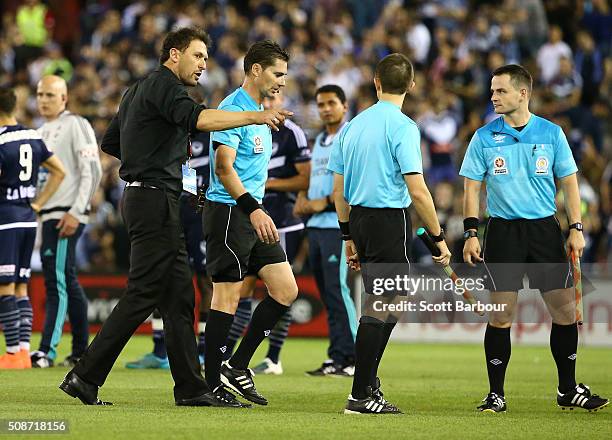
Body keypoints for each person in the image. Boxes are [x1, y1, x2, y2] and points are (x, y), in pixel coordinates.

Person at [59, 27, 290, 407]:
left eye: (205, 58)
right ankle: (85, 376)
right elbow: (198, 120)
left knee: (182, 296)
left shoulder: (136, 90)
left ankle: (191, 388)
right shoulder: (167, 86)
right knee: (143, 292)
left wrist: (152, 157)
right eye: (197, 56)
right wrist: (256, 116)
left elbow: (112, 142)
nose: (203, 65)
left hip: (146, 197)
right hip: (154, 199)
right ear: (173, 55)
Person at [460, 64, 609, 413]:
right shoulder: (483, 136)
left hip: (544, 230)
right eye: (492, 91)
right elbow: (471, 188)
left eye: (500, 91)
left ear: (522, 93)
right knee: (501, 316)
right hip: (502, 231)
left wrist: (576, 228)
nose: (493, 96)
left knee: (565, 312)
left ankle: (568, 389)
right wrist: (470, 232)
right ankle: (496, 394)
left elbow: (570, 182)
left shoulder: (552, 133)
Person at [328, 53, 451, 414]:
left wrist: (348, 236)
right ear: (411, 86)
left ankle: (368, 382)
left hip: (361, 220)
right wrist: (438, 238)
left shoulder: (351, 127)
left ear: (376, 82)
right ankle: (360, 395)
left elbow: (339, 190)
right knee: (380, 305)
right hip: (387, 221)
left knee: (392, 301)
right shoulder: (403, 127)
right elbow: (417, 190)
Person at [202, 40, 298, 407]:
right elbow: (223, 169)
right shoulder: (231, 110)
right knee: (227, 294)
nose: (282, 82)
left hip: (251, 211)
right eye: (277, 74)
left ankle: (237, 365)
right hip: (230, 211)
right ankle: (211, 384)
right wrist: (253, 208)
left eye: (285, 76)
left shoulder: (260, 111)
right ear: (255, 70)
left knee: (286, 290)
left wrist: (256, 208)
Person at [224, 89, 311, 375]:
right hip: (251, 218)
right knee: (245, 289)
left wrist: (267, 185)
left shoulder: (292, 133)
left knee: (281, 289)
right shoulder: (251, 125)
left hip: (282, 221)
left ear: (282, 101)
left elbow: (304, 178)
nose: (270, 104)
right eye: (267, 100)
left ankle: (273, 357)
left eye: (275, 99)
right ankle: (230, 356)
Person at [29, 75, 102, 369]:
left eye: (50, 95)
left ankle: (47, 350)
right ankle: (81, 351)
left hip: (65, 213)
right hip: (48, 213)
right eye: (40, 94)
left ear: (64, 98)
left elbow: (92, 170)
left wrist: (78, 210)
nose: (44, 100)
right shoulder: (39, 131)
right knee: (67, 280)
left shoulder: (76, 124)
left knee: (55, 280)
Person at [125, 129, 212, 370]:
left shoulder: (212, 136)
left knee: (206, 281)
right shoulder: (167, 136)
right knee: (159, 274)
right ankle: (159, 349)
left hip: (200, 214)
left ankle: (204, 349)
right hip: (170, 208)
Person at [294, 84, 358, 377]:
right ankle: (336, 356)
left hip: (337, 226)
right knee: (327, 293)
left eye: (332, 102)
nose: (326, 108)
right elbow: (315, 180)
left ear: (345, 106)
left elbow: (353, 183)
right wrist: (304, 199)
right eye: (321, 104)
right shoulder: (319, 140)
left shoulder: (349, 136)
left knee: (338, 292)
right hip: (316, 227)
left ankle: (354, 357)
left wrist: (325, 204)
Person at [0, 86, 65, 369]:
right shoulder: (32, 135)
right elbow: (59, 171)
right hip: (28, 218)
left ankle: (13, 352)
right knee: (21, 286)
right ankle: (24, 351)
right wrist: (38, 204)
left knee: (5, 287)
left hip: (6, 220)